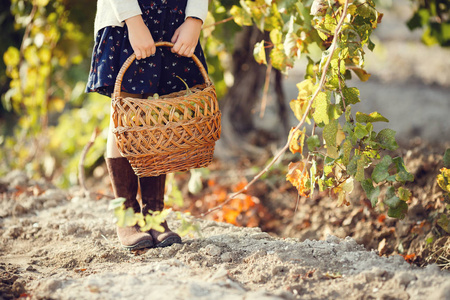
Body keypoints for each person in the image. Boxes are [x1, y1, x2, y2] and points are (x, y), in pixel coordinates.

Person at [85, 0, 209, 250]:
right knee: (126, 113)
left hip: (173, 20)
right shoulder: (130, 21)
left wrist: (194, 19)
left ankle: (154, 215)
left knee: (157, 117)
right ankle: (127, 217)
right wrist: (133, 20)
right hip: (128, 20)